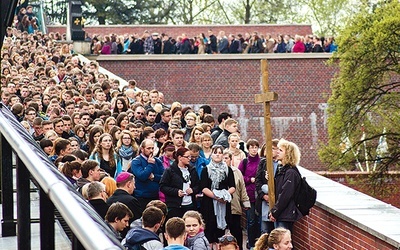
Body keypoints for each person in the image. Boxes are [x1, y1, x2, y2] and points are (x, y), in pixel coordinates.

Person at [200, 145, 235, 247]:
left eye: (220, 153)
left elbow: (233, 186)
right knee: (210, 229)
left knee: (221, 231)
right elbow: (204, 187)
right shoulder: (206, 169)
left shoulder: (228, 169)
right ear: (211, 154)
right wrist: (216, 197)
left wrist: (225, 195)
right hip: (210, 203)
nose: (218, 155)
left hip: (224, 202)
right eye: (215, 152)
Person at [269, 139, 303, 233]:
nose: (277, 152)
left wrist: (275, 211)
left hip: (285, 214)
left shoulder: (291, 173)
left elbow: (285, 195)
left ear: (288, 154)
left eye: (281, 150)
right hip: (281, 213)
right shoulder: (283, 170)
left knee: (282, 240)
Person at [160, 147, 200, 220]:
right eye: (187, 157)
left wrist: (193, 190)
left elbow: (198, 185)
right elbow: (163, 187)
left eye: (190, 156)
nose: (189, 158)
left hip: (190, 204)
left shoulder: (192, 169)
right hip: (175, 205)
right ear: (180, 157)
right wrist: (176, 192)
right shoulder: (170, 171)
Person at [223, 152, 250, 250]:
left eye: (226, 158)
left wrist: (245, 202)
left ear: (231, 159)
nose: (224, 160)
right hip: (220, 207)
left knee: (236, 230)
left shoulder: (237, 172)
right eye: (222, 158)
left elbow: (242, 188)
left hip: (234, 206)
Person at [238, 139, 261, 249]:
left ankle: (259, 243)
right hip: (249, 195)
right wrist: (249, 179)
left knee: (259, 221)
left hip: (259, 195)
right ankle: (251, 243)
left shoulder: (262, 161)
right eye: (251, 147)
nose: (254, 149)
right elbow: (239, 176)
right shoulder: (245, 162)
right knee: (251, 221)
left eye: (256, 147)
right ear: (248, 149)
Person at [130, 139, 165, 210]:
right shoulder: (136, 161)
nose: (151, 150)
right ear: (142, 149)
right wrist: (150, 164)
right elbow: (142, 176)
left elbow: (164, 178)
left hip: (155, 196)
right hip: (142, 197)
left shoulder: (157, 161)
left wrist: (154, 177)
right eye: (148, 148)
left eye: (152, 148)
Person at [107, 172, 142, 237]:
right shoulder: (131, 201)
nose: (134, 187)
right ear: (129, 184)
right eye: (133, 184)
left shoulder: (109, 200)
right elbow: (138, 222)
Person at [256, 139, 280, 234]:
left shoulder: (281, 165)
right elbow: (258, 181)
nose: (272, 151)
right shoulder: (263, 162)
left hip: (277, 201)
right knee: (265, 230)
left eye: (274, 149)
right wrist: (263, 195)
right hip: (264, 202)